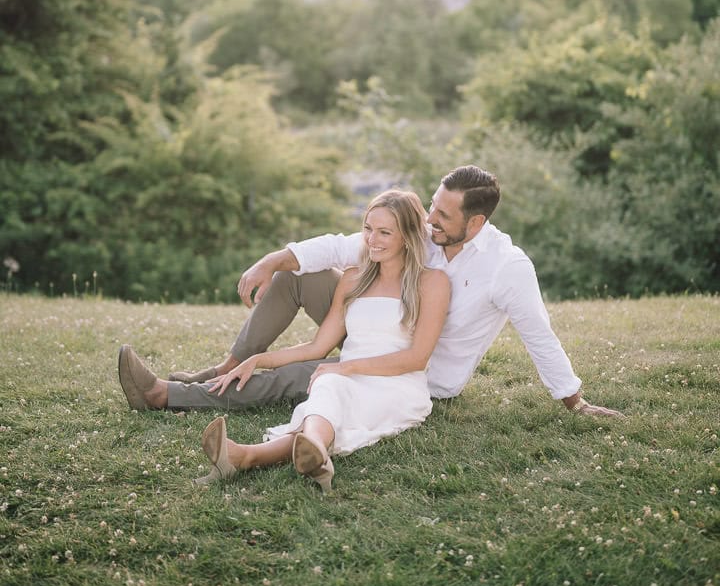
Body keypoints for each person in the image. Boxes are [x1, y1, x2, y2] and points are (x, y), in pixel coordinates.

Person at [117, 166, 621, 419]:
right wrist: (275, 259)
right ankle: (226, 368)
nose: (429, 222)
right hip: (369, 336)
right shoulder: (430, 231)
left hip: (414, 372)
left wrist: (573, 400)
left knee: (305, 373)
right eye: (431, 208)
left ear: (478, 221)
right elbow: (347, 245)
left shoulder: (507, 268)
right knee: (297, 277)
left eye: (443, 216)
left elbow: (539, 334)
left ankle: (167, 395)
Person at [121, 190, 449, 492]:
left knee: (330, 384)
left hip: (397, 381)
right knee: (328, 386)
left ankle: (256, 455)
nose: (371, 240)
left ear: (406, 236)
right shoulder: (353, 278)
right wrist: (257, 360)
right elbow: (318, 347)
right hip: (348, 375)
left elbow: (417, 358)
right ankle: (301, 454)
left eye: (384, 232)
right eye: (367, 229)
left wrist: (346, 368)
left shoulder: (432, 283)